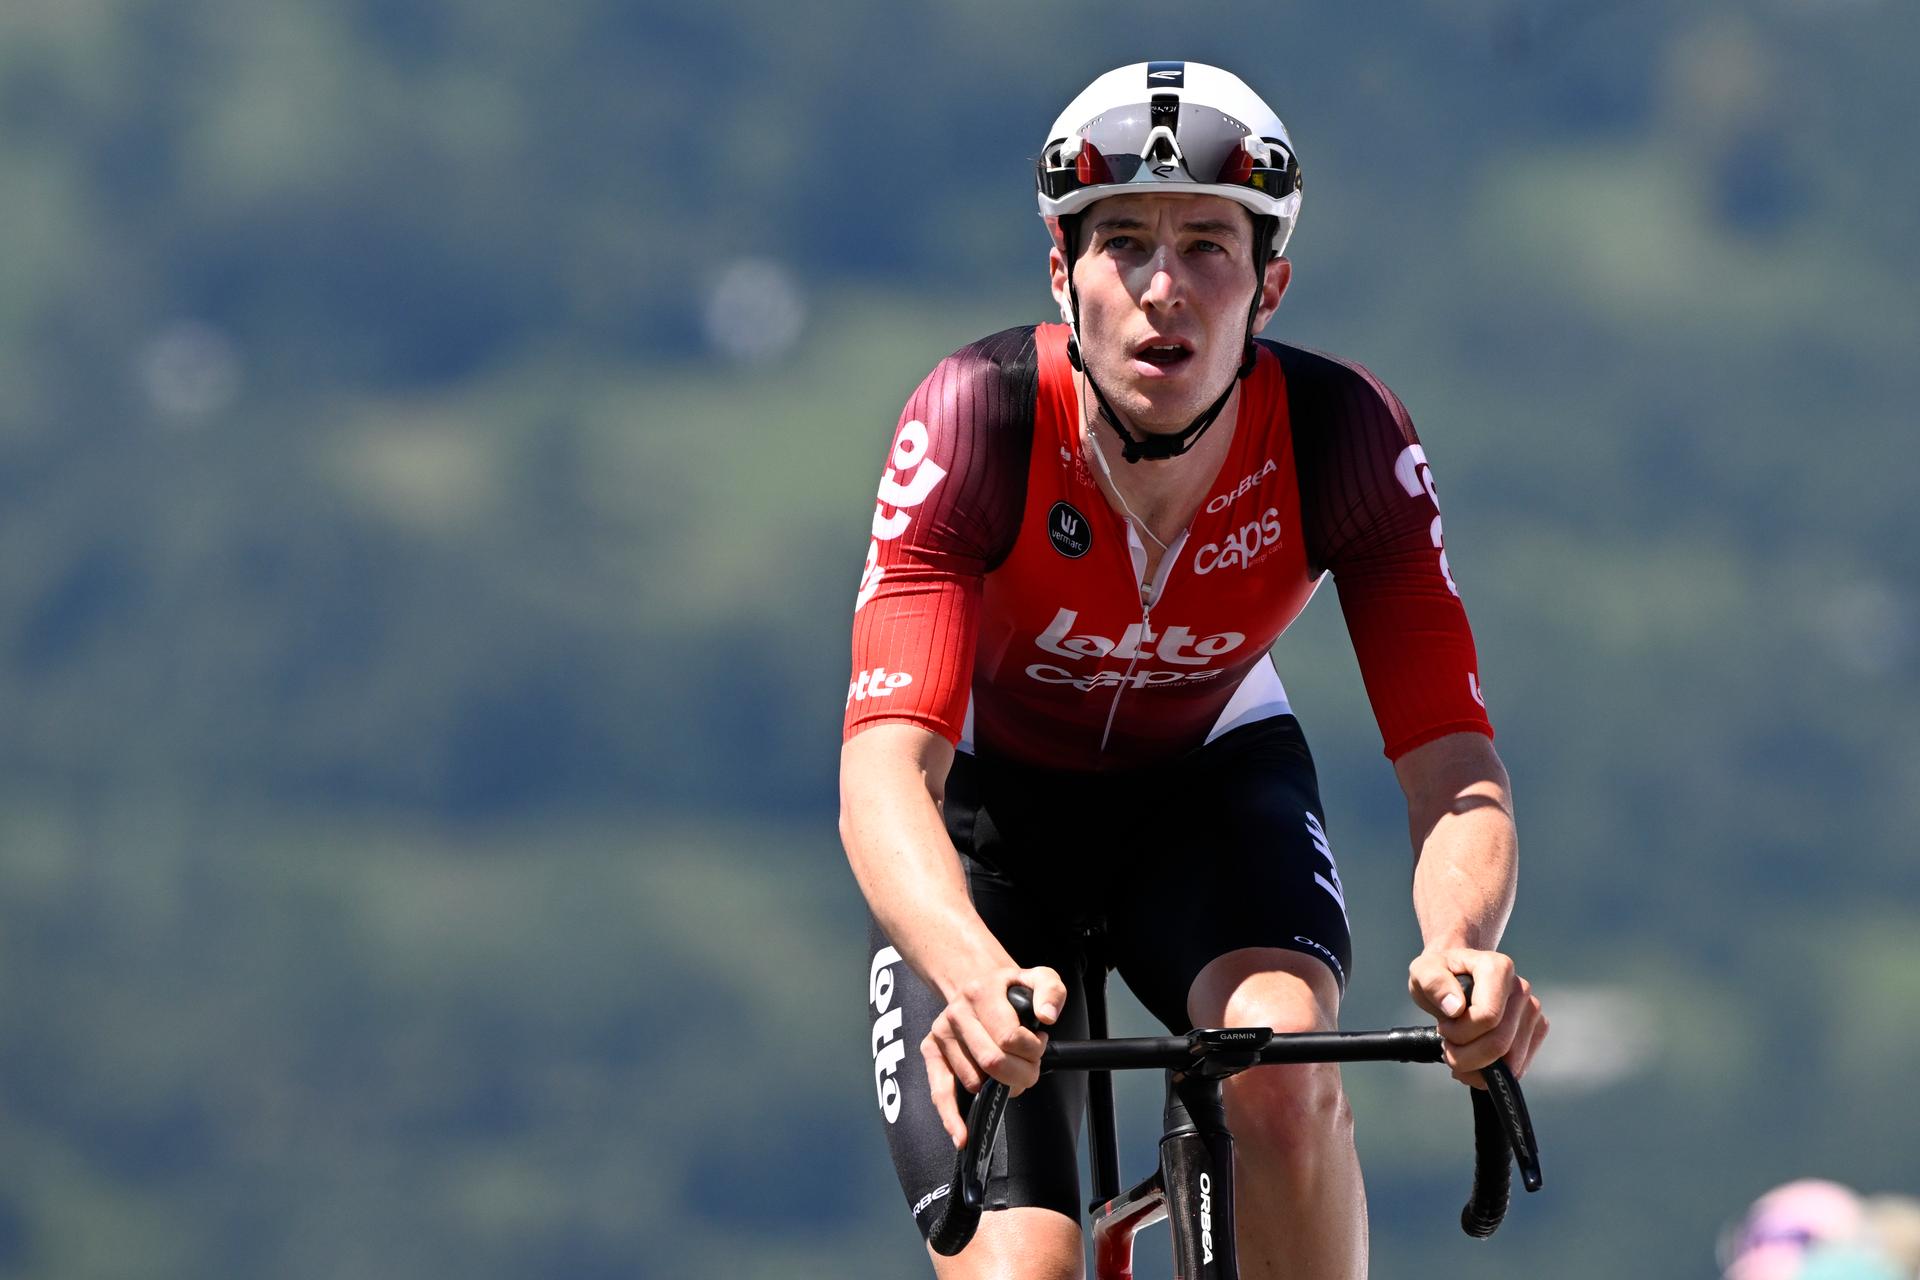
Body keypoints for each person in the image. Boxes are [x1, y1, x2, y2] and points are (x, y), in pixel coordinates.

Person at [842, 61, 1548, 1277]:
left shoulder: (1345, 441)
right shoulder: (974, 421)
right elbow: (882, 772)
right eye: (1123, 242)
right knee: (1022, 1271)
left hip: (1207, 792)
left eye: (1209, 247)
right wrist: (970, 971)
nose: (1164, 290)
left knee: (1277, 1069)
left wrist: (1463, 943)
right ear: (1063, 274)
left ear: (1271, 281)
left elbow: (1454, 764)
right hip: (992, 831)